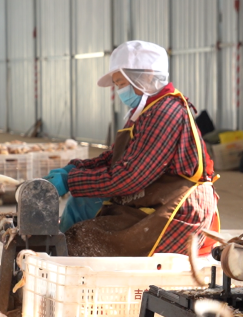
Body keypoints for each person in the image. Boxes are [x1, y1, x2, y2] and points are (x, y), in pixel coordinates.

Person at [45, 40, 219, 257]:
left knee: (82, 238)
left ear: (145, 76)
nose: (119, 91)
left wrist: (71, 181)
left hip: (179, 213)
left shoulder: (165, 113)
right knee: (84, 204)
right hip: (153, 199)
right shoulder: (145, 111)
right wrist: (74, 169)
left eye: (120, 83)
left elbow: (130, 176)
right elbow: (115, 158)